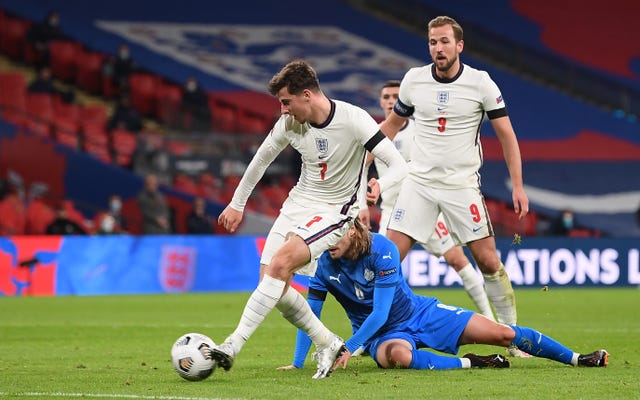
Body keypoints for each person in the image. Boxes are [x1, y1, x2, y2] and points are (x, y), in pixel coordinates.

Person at [210, 60, 408, 379]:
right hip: (299, 202)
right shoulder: (290, 124)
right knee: (271, 283)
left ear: (306, 95)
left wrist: (379, 185)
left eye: (286, 102)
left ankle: (232, 345)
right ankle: (327, 342)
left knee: (279, 266)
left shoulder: (354, 119)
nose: (284, 110)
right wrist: (237, 204)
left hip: (337, 209)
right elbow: (260, 161)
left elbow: (399, 165)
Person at [378, 16, 529, 355]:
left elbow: (506, 135)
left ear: (459, 45)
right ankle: (371, 333)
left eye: (445, 41)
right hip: (418, 184)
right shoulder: (414, 80)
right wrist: (360, 159)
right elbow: (392, 124)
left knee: (489, 262)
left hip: (461, 185)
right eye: (433, 42)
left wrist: (517, 186)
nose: (438, 48)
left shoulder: (480, 83)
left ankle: (513, 339)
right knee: (385, 260)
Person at [279, 218, 608, 372]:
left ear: (352, 230)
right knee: (399, 358)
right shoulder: (321, 262)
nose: (328, 242)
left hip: (418, 314)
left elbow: (381, 310)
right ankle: (472, 363)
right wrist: (297, 364)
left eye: (335, 235)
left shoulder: (382, 249)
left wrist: (347, 349)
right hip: (382, 336)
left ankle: (578, 359)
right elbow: (310, 313)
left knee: (503, 333)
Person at [372, 80, 494, 320]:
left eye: (395, 96)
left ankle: (490, 319)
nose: (390, 101)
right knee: (383, 271)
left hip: (424, 205)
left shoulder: (421, 130)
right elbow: (361, 166)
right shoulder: (375, 134)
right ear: (380, 101)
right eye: (386, 96)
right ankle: (376, 330)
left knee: (458, 260)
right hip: (392, 211)